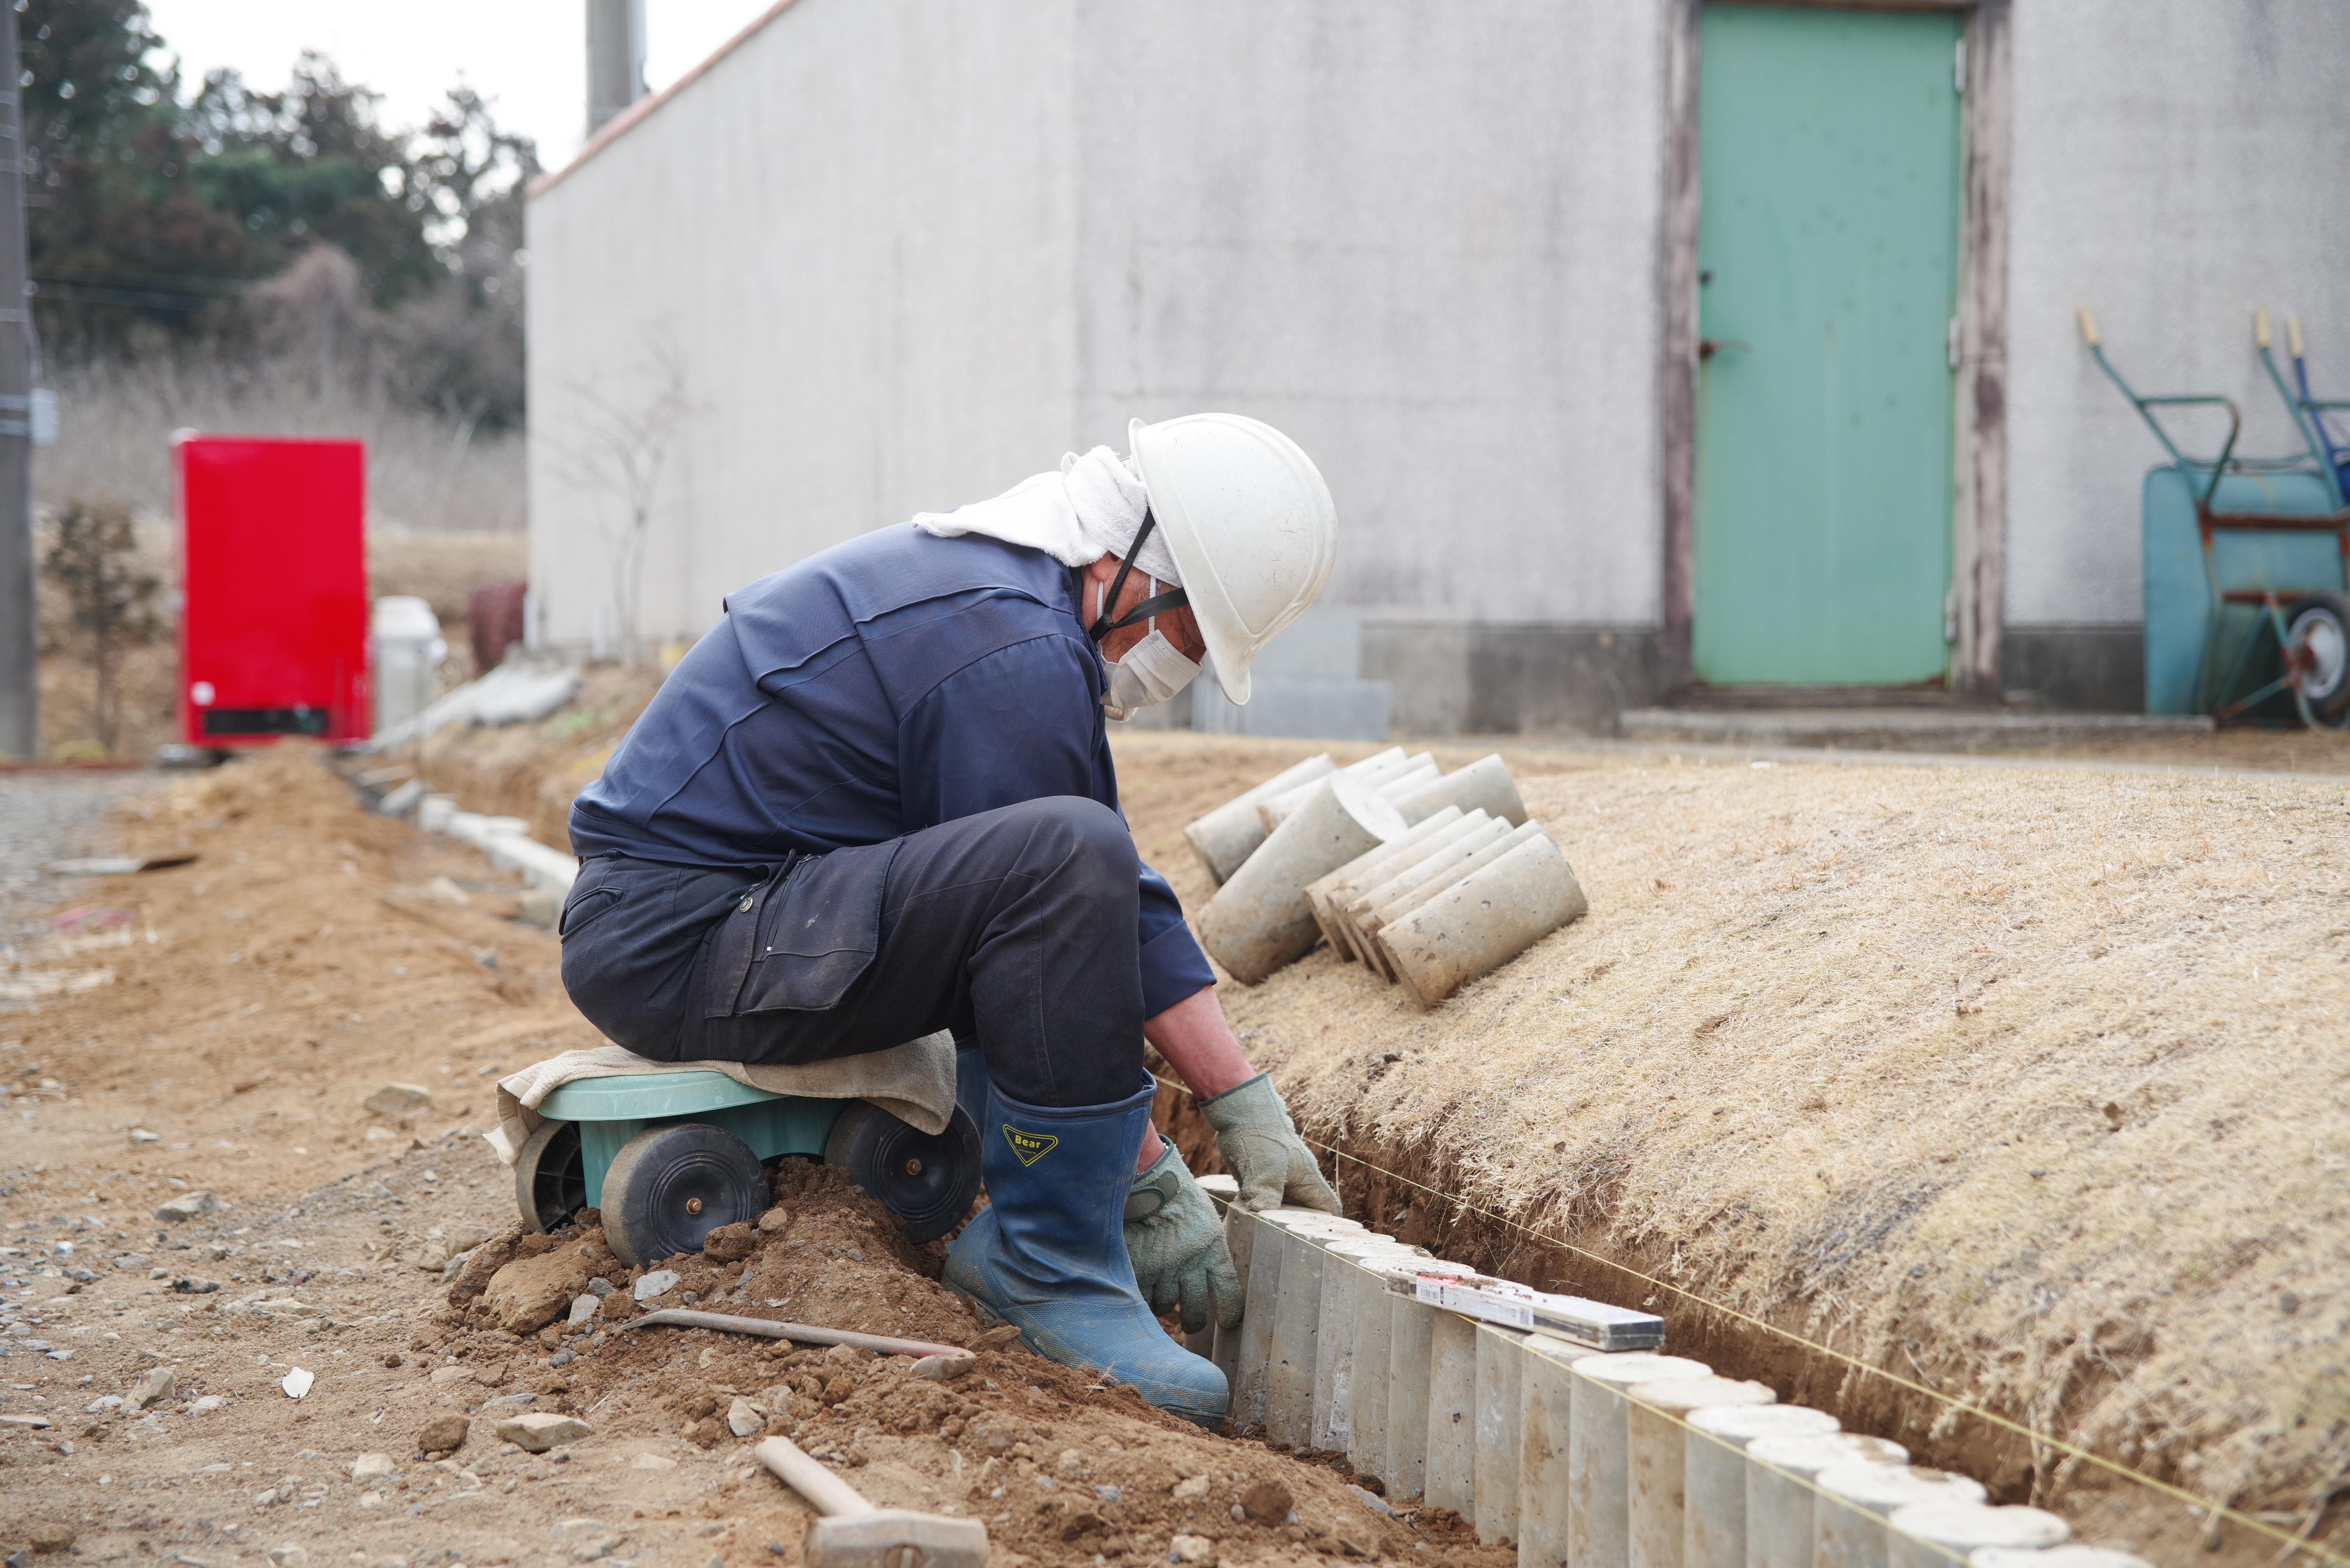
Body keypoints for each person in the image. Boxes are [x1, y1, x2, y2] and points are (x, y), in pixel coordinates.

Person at [557, 413, 1344, 1427]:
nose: (1178, 670)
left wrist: (1239, 1100)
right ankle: (1049, 1262)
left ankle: (1036, 1204)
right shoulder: (1007, 644)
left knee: (1063, 859)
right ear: (1134, 567)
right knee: (1055, 864)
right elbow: (1060, 880)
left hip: (726, 917)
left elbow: (1106, 882)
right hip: (683, 940)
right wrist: (1143, 1174)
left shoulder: (1008, 609)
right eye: (1189, 640)